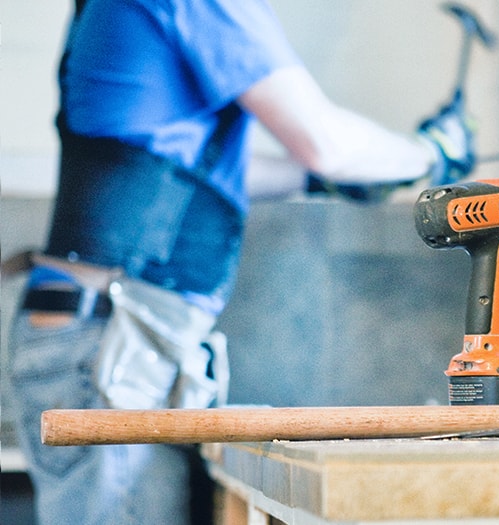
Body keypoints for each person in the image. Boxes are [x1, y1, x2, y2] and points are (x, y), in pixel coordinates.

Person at [6, 0, 475, 524]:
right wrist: (431, 153)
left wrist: (320, 180)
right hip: (113, 346)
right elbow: (326, 143)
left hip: (107, 335)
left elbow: (197, 175)